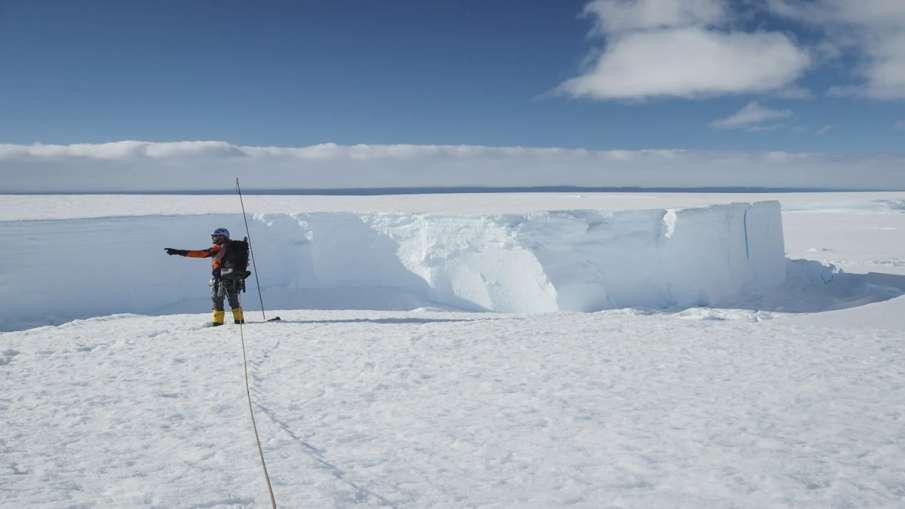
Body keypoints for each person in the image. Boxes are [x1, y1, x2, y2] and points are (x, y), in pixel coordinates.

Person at [165, 227, 244, 326]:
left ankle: (218, 324)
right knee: (234, 302)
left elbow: (200, 253)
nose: (213, 239)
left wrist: (178, 252)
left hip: (220, 280)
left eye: (215, 237)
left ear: (222, 237)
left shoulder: (218, 248)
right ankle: (239, 321)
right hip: (233, 279)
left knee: (217, 302)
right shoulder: (234, 247)